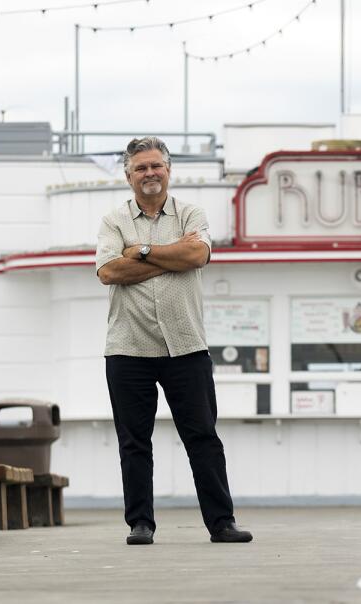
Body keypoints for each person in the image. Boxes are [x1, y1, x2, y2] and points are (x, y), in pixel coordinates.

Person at [96, 136, 252, 546]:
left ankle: (222, 523)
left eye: (156, 166)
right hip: (128, 348)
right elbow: (110, 272)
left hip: (186, 347)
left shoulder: (191, 213)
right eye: (141, 168)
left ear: (168, 170)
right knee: (134, 443)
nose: (150, 173)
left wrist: (141, 252)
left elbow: (196, 257)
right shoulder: (113, 221)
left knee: (203, 437)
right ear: (128, 176)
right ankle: (140, 524)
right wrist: (170, 258)